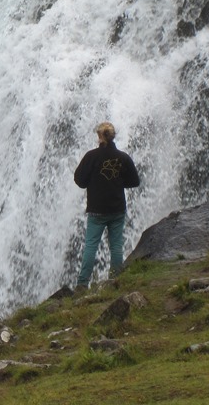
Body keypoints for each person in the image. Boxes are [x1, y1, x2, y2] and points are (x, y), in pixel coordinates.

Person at [73, 121, 140, 291]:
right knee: (116, 245)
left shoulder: (91, 156)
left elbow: (79, 180)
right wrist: (117, 182)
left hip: (96, 210)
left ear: (99, 136)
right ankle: (115, 280)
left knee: (91, 246)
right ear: (113, 136)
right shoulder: (123, 157)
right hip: (117, 208)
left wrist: (94, 182)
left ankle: (82, 284)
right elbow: (134, 181)